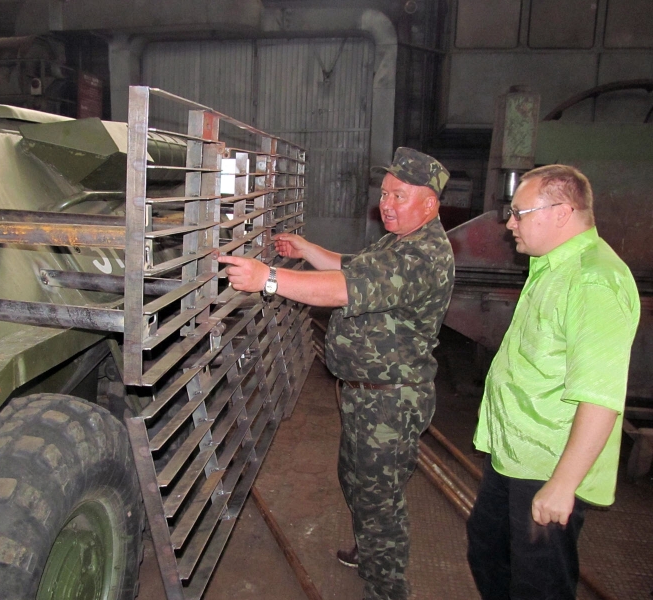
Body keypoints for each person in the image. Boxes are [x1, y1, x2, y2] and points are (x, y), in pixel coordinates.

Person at [218, 147, 455, 600]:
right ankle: (370, 551)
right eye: (384, 193)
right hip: (367, 395)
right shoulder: (397, 241)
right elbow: (352, 266)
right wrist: (309, 250)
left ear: (430, 203)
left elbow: (344, 288)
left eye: (399, 196)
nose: (386, 203)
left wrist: (268, 278)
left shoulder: (423, 255)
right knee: (357, 479)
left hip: (390, 400)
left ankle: (386, 588)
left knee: (379, 499)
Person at [466, 164, 641, 600]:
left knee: (538, 583)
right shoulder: (551, 266)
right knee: (487, 550)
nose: (510, 224)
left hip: (547, 463)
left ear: (561, 212)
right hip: (514, 453)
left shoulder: (594, 279)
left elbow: (600, 394)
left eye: (519, 213)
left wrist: (563, 484)